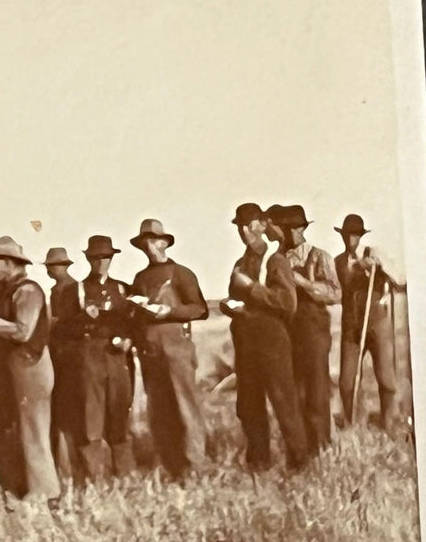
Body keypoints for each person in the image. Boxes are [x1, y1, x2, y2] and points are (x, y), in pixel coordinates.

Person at [0, 236, 60, 505]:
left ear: (9, 263)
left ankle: (46, 493)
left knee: (33, 430)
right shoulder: (4, 290)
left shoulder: (28, 291)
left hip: (31, 367)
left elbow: (22, 331)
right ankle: (16, 484)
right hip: (7, 369)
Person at [222, 204, 310, 471]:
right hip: (246, 342)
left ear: (262, 225)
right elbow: (235, 298)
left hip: (272, 341)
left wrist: (253, 288)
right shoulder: (241, 263)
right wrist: (229, 305)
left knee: (284, 403)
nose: (244, 231)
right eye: (240, 226)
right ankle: (259, 464)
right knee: (249, 406)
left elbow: (287, 303)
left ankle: (299, 465)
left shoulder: (275, 259)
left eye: (249, 225)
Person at [128, 218, 209, 477]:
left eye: (153, 241)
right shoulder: (140, 278)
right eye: (144, 243)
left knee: (186, 406)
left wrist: (169, 311)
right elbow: (135, 316)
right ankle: (170, 465)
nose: (149, 247)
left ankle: (194, 465)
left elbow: (200, 309)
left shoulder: (182, 273)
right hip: (151, 353)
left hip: (177, 350)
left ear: (164, 243)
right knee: (160, 411)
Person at [276, 205, 341, 453]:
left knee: (316, 390)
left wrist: (302, 282)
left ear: (303, 229)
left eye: (294, 228)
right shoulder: (278, 260)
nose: (290, 234)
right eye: (285, 229)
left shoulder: (320, 256)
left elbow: (335, 293)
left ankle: (322, 445)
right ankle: (301, 447)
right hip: (287, 330)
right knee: (294, 391)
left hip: (314, 330)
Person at [76, 235, 137, 479]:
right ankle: (95, 478)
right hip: (91, 357)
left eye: (106, 257)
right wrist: (83, 318)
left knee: (120, 414)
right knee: (92, 419)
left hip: (118, 358)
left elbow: (134, 322)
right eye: (96, 257)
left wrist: (128, 340)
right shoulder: (78, 290)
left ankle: (126, 476)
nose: (101, 262)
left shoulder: (122, 288)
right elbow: (65, 327)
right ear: (88, 258)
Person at [334, 214, 403, 428]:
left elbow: (399, 279)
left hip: (377, 324)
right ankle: (355, 423)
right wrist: (356, 267)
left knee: (386, 379)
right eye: (347, 235)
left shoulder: (374, 253)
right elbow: (339, 288)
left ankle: (389, 422)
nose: (350, 240)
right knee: (347, 382)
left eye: (354, 235)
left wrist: (380, 265)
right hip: (351, 327)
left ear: (360, 236)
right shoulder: (338, 261)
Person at [43, 247, 82, 481]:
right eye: (49, 266)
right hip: (57, 356)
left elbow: (75, 322)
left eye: (53, 266)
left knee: (69, 415)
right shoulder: (54, 291)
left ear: (64, 266)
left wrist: (55, 324)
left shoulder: (73, 289)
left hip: (70, 358)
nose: (50, 270)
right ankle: (65, 468)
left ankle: (72, 468)